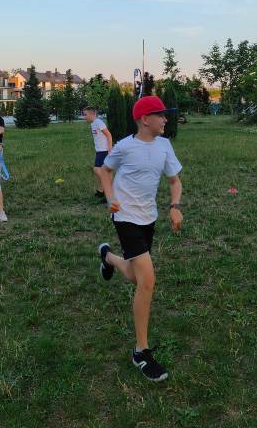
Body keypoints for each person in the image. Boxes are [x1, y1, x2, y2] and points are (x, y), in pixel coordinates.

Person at [97, 95, 183, 383]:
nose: (166, 119)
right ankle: (141, 352)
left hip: (149, 217)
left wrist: (175, 206)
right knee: (147, 281)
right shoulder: (124, 147)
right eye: (161, 115)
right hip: (125, 216)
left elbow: (175, 181)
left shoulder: (164, 146)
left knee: (136, 277)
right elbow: (105, 171)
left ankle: (108, 257)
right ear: (145, 119)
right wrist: (110, 197)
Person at [83, 106, 112, 201]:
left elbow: (109, 135)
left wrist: (110, 150)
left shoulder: (99, 122)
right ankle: (101, 191)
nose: (84, 117)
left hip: (104, 150)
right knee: (99, 171)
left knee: (97, 170)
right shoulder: (93, 124)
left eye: (85, 114)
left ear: (92, 114)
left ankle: (110, 192)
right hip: (99, 151)